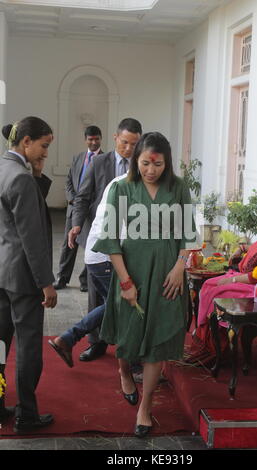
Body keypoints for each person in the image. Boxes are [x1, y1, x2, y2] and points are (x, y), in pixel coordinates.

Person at [92, 132, 198, 438]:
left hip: (168, 272)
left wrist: (180, 267)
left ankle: (146, 407)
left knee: (157, 341)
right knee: (129, 331)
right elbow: (111, 239)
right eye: (145, 163)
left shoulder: (178, 188)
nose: (152, 170)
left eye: (158, 164)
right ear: (136, 161)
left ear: (167, 162)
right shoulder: (123, 188)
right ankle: (125, 371)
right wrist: (125, 281)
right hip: (132, 266)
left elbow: (188, 233)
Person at [187, 189, 257, 365]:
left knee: (216, 289)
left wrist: (231, 280)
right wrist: (243, 248)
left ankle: (214, 348)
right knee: (209, 284)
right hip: (250, 280)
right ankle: (207, 342)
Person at [68, 118, 142, 362]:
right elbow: (83, 196)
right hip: (100, 238)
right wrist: (77, 224)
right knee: (99, 297)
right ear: (115, 138)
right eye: (124, 142)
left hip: (128, 242)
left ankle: (121, 348)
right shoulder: (100, 162)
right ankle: (96, 343)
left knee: (118, 297)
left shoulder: (143, 167)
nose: (129, 148)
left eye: (134, 143)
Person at [0, 117, 57, 434]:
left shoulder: (4, 168)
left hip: (1, 270)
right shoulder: (20, 179)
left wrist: (36, 173)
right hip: (22, 278)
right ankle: (27, 414)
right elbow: (32, 237)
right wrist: (45, 283)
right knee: (29, 348)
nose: (45, 154)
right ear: (26, 142)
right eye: (43, 146)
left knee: (0, 343)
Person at [53, 125, 104, 292]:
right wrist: (73, 200)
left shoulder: (105, 160)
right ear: (85, 140)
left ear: (101, 139)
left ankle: (84, 280)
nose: (94, 142)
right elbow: (69, 182)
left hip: (93, 212)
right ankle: (62, 278)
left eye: (96, 139)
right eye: (90, 139)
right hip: (74, 209)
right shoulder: (78, 158)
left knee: (90, 246)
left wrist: (89, 204)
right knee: (69, 245)